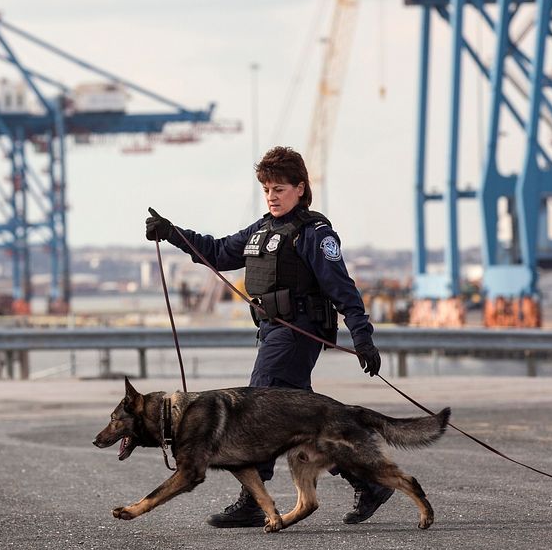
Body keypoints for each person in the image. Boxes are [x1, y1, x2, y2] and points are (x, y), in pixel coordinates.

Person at [145, 145, 393, 528]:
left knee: (256, 407)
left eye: (280, 188)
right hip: (272, 332)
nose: (272, 195)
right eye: (267, 189)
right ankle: (368, 480)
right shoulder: (260, 230)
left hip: (298, 333)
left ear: (300, 188)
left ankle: (251, 500)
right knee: (306, 420)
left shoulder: (313, 233)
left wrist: (362, 337)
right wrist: (171, 232)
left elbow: (343, 289)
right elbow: (215, 251)